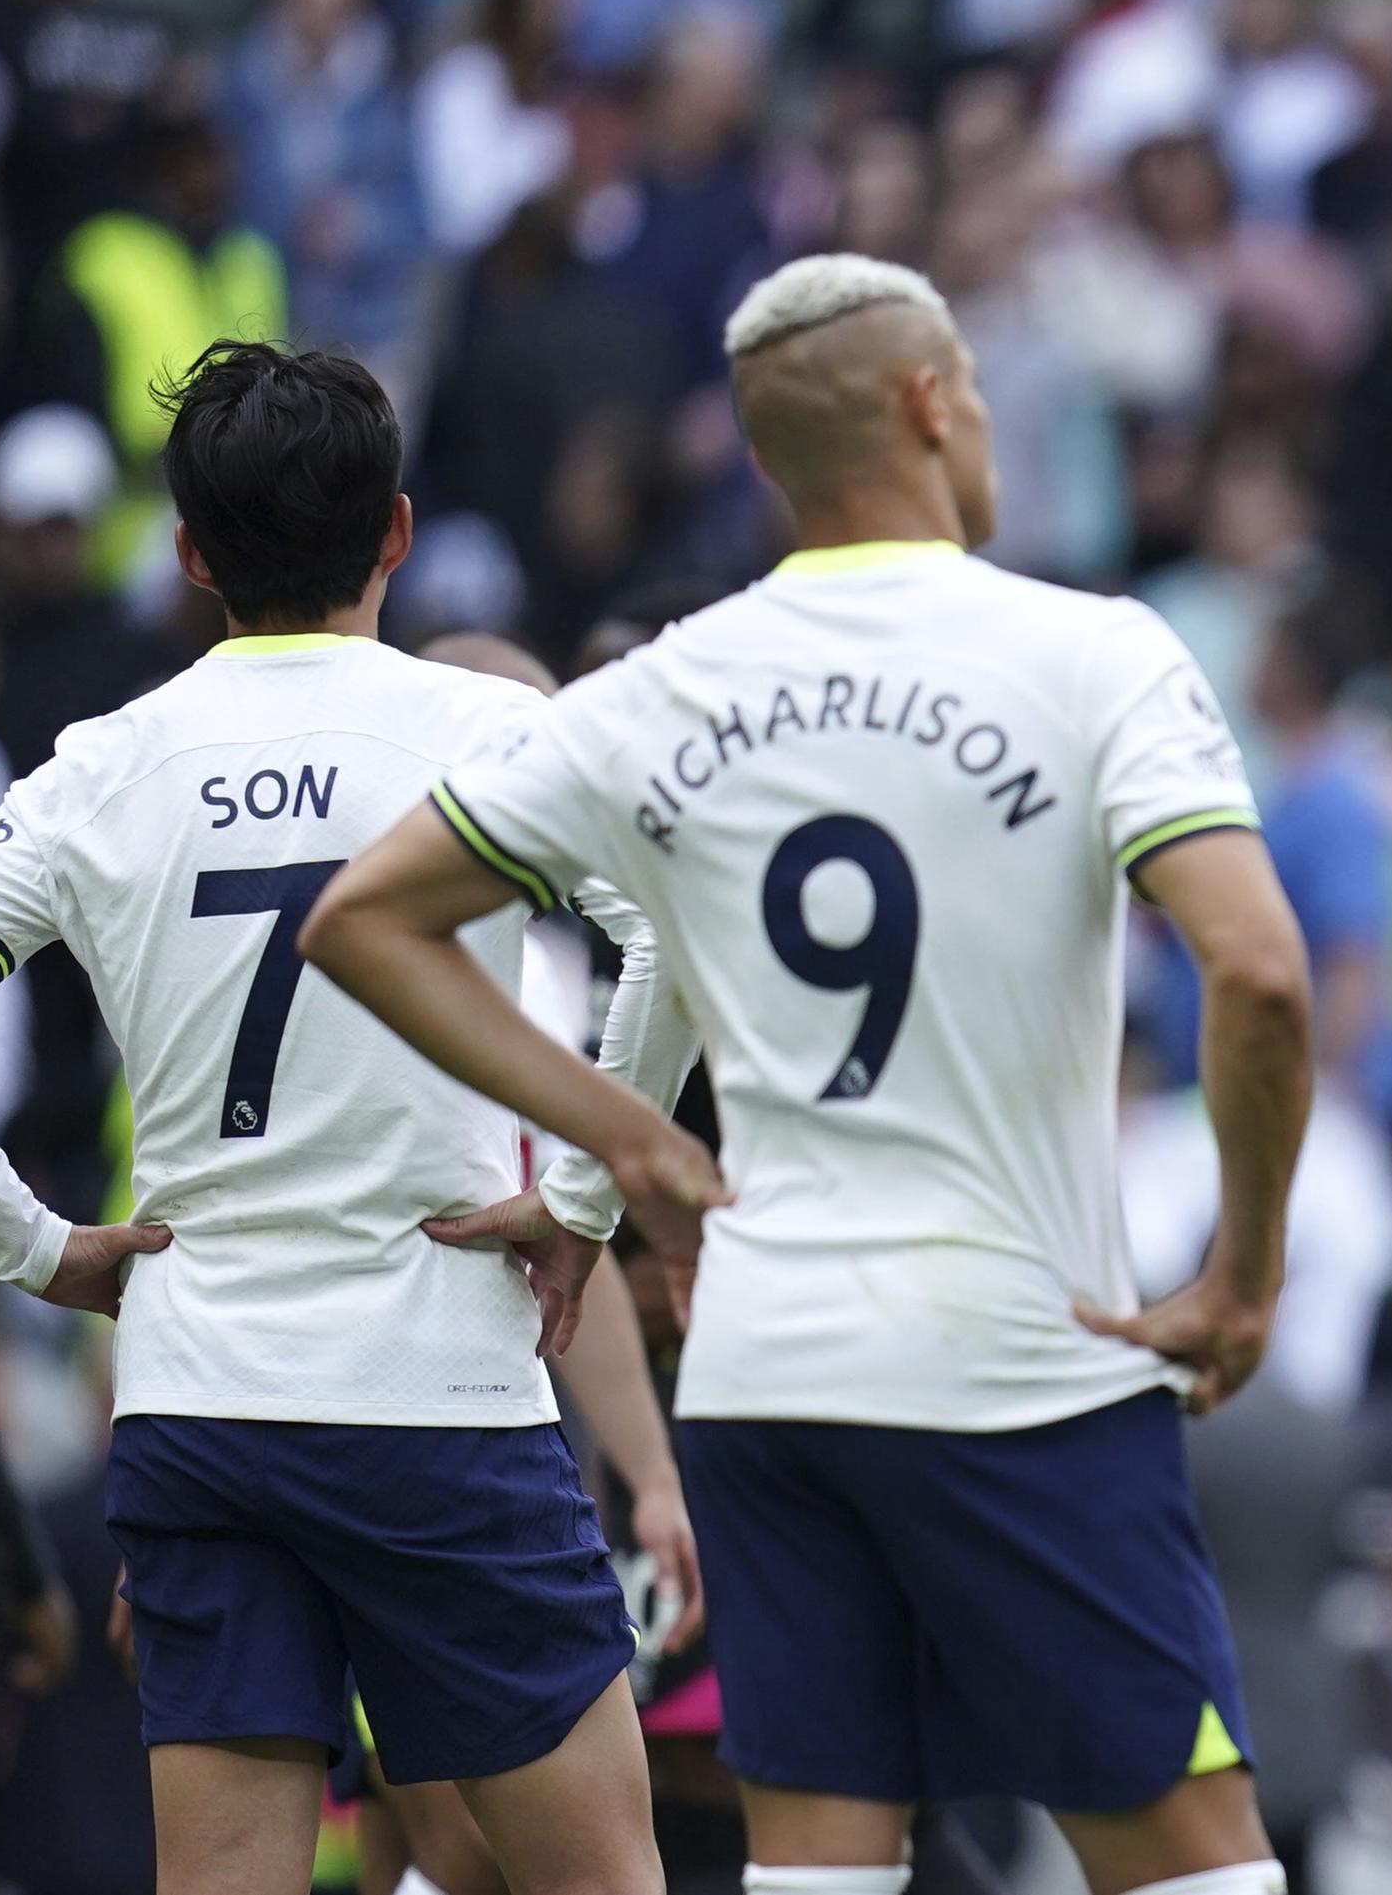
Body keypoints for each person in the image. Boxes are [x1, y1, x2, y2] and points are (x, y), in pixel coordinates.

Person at [298, 251, 1315, 1895]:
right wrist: (1246, 1267)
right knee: (1192, 1862)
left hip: (765, 1374)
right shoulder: (1093, 653)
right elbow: (1259, 971)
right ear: (929, 403)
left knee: (821, 1868)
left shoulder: (661, 687)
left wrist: (618, 1140)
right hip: (1015, 1362)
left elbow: (367, 919)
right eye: (977, 392)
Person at [0, 339, 688, 1895]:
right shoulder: (483, 735)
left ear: (185, 554)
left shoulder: (106, 763)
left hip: (200, 1401)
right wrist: (580, 1192)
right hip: (436, 1394)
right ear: (399, 534)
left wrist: (32, 1246)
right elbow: (663, 935)